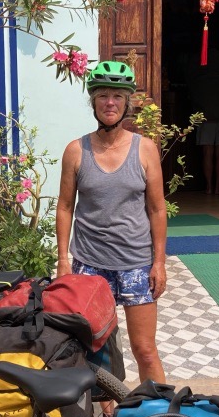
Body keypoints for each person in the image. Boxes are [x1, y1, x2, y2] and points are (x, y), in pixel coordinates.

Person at [56, 60, 168, 385]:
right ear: (93, 101)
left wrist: (158, 263)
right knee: (92, 350)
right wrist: (63, 260)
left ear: (126, 103)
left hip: (135, 265)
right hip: (89, 266)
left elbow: (158, 210)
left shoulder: (145, 150)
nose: (110, 102)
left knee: (145, 349)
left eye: (117, 96)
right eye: (103, 95)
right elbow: (65, 207)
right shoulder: (76, 151)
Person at [187, 46, 219, 195]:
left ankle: (208, 187)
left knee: (207, 153)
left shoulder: (197, 62)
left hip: (205, 114)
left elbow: (190, 85)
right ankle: (218, 187)